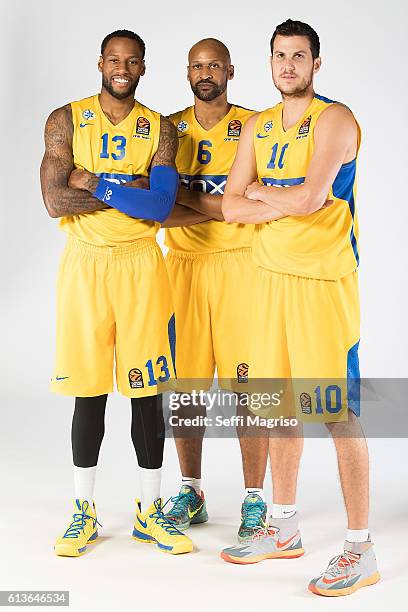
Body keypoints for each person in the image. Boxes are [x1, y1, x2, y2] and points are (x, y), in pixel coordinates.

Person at [220, 19, 380, 597]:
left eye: (299, 56)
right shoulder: (258, 126)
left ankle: (360, 548)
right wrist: (269, 199)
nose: (288, 65)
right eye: (280, 56)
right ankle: (283, 528)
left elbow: (313, 198)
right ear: (269, 62)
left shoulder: (335, 119)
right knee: (276, 408)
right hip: (267, 282)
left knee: (336, 413)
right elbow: (228, 210)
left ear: (317, 63)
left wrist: (262, 193)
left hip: (321, 284)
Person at [40, 29, 192, 556]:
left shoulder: (162, 129)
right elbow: (55, 202)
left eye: (132, 61)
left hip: (141, 267)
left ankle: (149, 512)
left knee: (147, 389)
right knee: (89, 388)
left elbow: (160, 208)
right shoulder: (65, 119)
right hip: (85, 266)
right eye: (114, 60)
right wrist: (131, 192)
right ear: (101, 63)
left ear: (144, 67)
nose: (121, 68)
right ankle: (83, 510)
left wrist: (98, 184)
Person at [162, 38, 268, 542]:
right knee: (185, 389)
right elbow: (159, 207)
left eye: (214, 65)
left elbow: (251, 203)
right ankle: (191, 490)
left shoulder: (253, 125)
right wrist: (218, 204)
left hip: (240, 265)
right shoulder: (167, 128)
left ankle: (254, 498)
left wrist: (194, 201)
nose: (206, 73)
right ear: (187, 73)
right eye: (197, 66)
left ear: (230, 70)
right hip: (182, 265)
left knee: (248, 389)